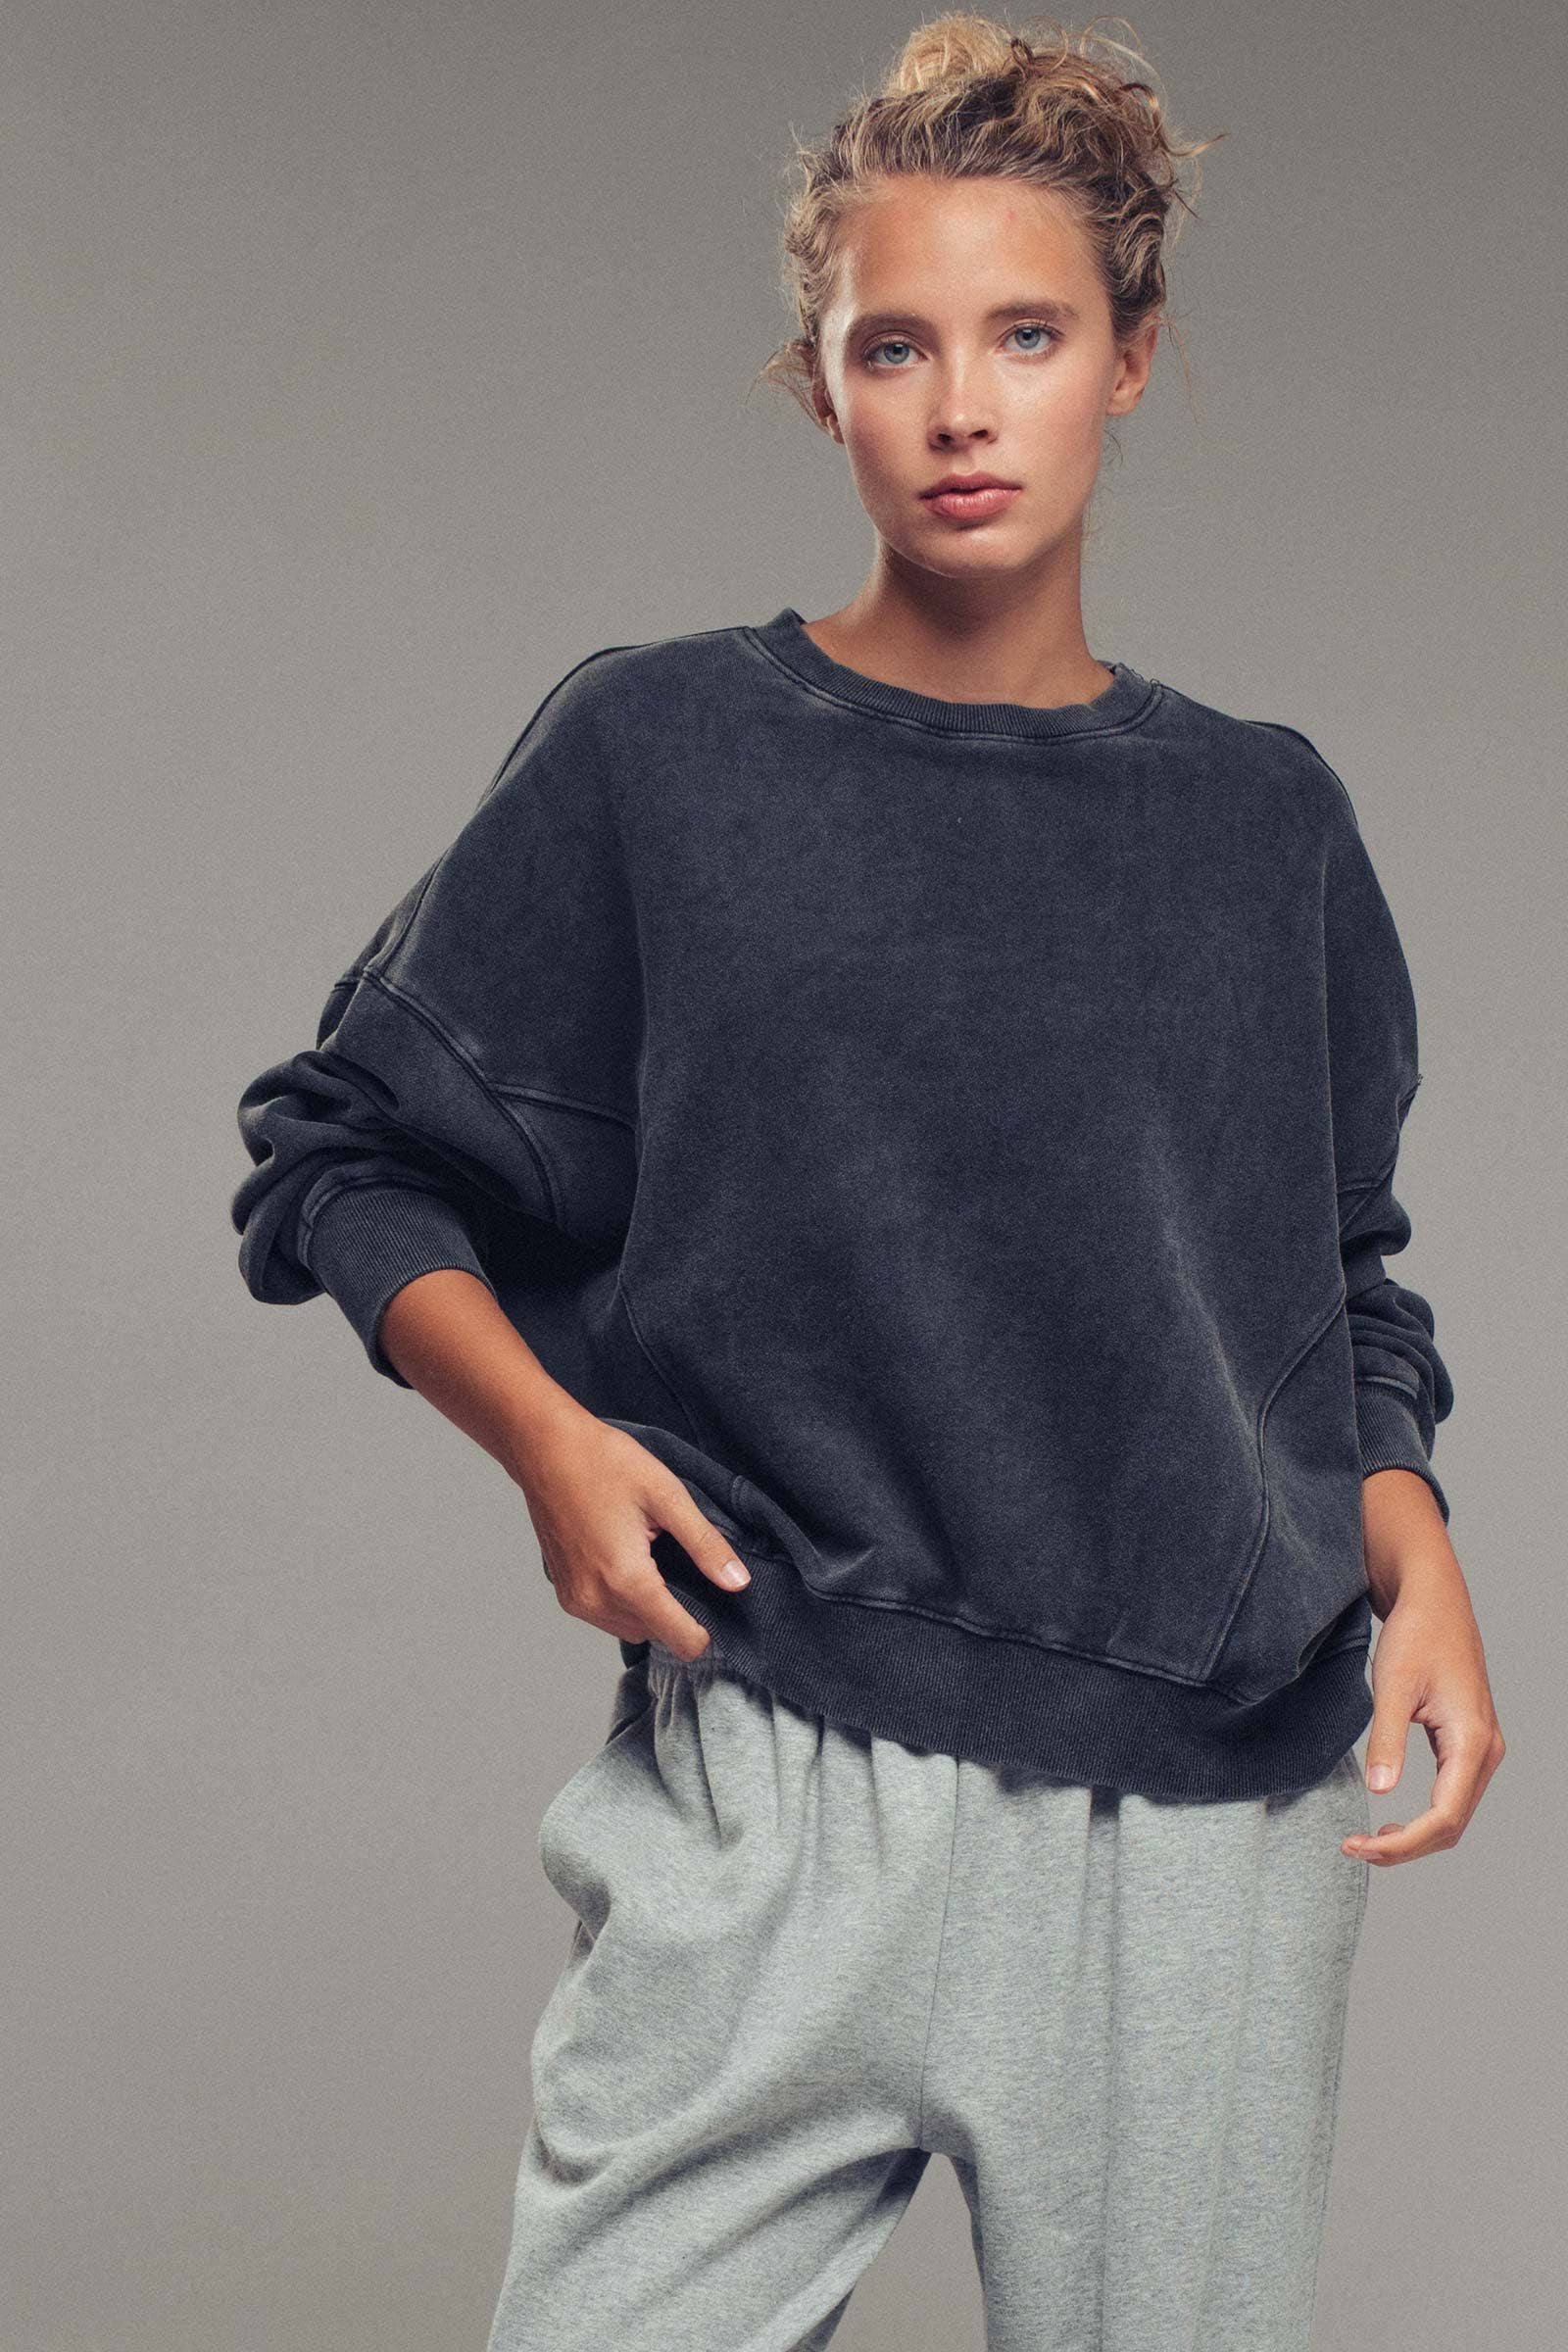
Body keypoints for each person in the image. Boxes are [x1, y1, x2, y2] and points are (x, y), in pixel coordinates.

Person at [229, 15, 1504, 2348]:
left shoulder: (1260, 823)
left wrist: (1412, 1546)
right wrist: (548, 1444)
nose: (957, 406)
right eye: (891, 345)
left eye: (1025, 336)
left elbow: (1331, 1271)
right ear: (817, 387)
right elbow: (345, 1151)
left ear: (1129, 361)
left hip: (1198, 1823)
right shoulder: (663, 752)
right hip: (777, 1766)